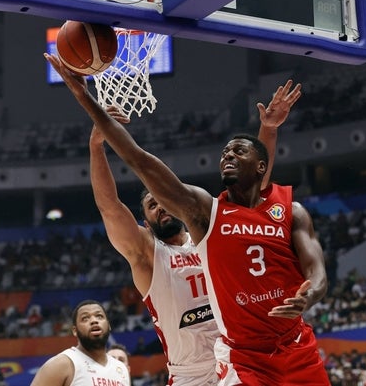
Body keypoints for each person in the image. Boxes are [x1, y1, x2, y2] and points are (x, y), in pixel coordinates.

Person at [45, 52, 327, 385]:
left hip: (233, 356)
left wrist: (268, 132)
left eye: (160, 201)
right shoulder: (150, 251)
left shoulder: (211, 228)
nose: (160, 207)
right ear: (146, 221)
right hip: (191, 373)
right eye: (152, 205)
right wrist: (96, 146)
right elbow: (111, 204)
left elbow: (256, 195)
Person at [30, 300, 130, 386]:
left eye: (99, 316)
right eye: (85, 318)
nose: (94, 321)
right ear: (75, 330)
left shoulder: (121, 369)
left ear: (108, 325)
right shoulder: (61, 364)